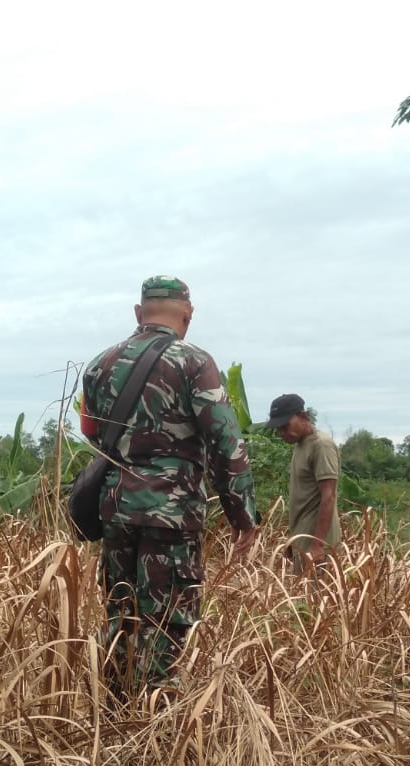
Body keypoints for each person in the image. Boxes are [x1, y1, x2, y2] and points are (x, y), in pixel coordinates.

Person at [80, 276, 257, 699]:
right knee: (166, 621)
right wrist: (243, 517)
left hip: (116, 510)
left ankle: (114, 715)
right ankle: (156, 731)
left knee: (121, 613)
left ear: (138, 313)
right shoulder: (195, 362)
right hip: (172, 516)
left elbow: (91, 434)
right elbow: (226, 444)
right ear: (188, 315)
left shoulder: (99, 365)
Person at [265, 393, 341, 573]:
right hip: (303, 542)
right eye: (278, 428)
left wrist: (318, 545)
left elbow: (328, 497)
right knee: (303, 600)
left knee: (316, 600)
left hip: (317, 547)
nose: (281, 433)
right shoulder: (301, 445)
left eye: (285, 426)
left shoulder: (321, 445)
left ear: (303, 416)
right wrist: (294, 540)